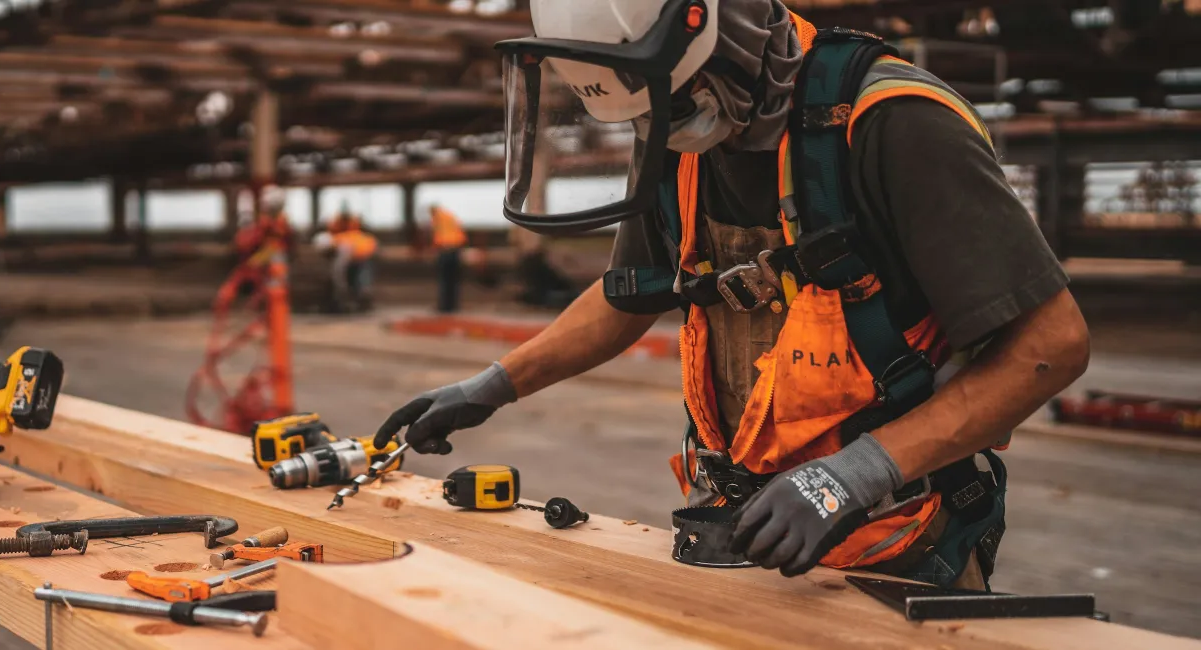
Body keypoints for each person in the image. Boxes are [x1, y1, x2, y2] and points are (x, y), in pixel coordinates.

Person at [374, 0, 1088, 590]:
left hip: (894, 541)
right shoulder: (675, 130)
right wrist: (492, 385)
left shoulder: (891, 123)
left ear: (720, 39)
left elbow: (1052, 346)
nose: (667, 127)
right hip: (734, 532)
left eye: (679, 103)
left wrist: (854, 475)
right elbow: (630, 294)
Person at [329, 215, 379, 313]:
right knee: (343, 276)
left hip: (361, 262)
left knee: (363, 274)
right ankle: (346, 298)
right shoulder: (340, 238)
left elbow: (372, 250)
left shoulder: (364, 238)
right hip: (346, 264)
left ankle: (361, 296)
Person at [429, 204, 468, 313]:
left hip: (445, 250)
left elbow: (438, 235)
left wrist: (435, 248)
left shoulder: (438, 218)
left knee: (445, 279)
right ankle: (453, 306)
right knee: (453, 279)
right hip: (456, 249)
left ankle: (444, 306)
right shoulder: (449, 216)